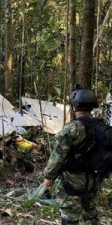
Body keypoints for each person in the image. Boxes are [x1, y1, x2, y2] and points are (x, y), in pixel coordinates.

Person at [43, 89, 101, 225]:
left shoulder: (72, 128)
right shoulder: (100, 126)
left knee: (70, 216)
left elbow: (57, 156)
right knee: (91, 215)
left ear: (75, 106)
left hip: (72, 181)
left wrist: (48, 177)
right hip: (93, 180)